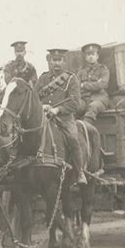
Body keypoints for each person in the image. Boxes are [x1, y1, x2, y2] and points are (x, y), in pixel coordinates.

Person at [34, 49, 87, 184]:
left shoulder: (71, 79)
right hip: (44, 117)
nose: (56, 63)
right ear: (50, 61)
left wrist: (58, 109)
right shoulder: (43, 78)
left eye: (59, 60)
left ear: (64, 61)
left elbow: (75, 103)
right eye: (53, 60)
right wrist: (42, 107)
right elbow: (34, 98)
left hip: (64, 118)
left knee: (73, 139)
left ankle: (79, 172)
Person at [76, 43, 110, 125]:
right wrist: (95, 85)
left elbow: (102, 85)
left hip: (99, 99)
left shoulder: (103, 70)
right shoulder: (81, 71)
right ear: (86, 57)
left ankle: (84, 130)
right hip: (84, 100)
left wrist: (84, 85)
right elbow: (76, 86)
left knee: (93, 107)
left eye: (93, 54)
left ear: (97, 56)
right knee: (74, 107)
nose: (91, 57)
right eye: (88, 54)